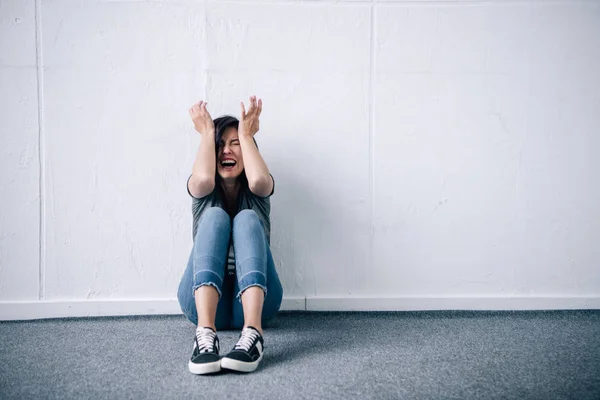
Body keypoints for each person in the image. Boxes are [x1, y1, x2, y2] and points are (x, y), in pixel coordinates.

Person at [177, 96, 283, 375]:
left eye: (235, 143)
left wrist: (246, 133)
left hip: (255, 303)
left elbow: (260, 180)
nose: (227, 150)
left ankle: (253, 334)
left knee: (246, 218)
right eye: (221, 145)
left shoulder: (257, 190)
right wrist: (206, 132)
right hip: (201, 304)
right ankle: (205, 336)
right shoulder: (204, 191)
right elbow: (201, 180)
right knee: (215, 216)